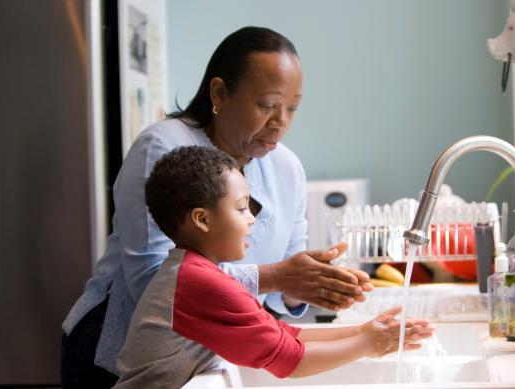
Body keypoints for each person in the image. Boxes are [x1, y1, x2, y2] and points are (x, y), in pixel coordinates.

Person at [61, 26, 372, 388]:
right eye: (268, 105)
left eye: (292, 108)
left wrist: (311, 283)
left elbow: (284, 287)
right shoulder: (164, 147)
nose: (281, 122)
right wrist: (278, 276)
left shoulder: (287, 168)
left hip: (200, 358)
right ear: (220, 93)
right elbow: (155, 280)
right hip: (116, 353)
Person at [113, 146, 433, 388]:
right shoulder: (197, 282)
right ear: (202, 219)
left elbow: (285, 334)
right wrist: (369, 344)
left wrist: (363, 331)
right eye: (241, 209)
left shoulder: (195, 272)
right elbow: (290, 360)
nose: (252, 219)